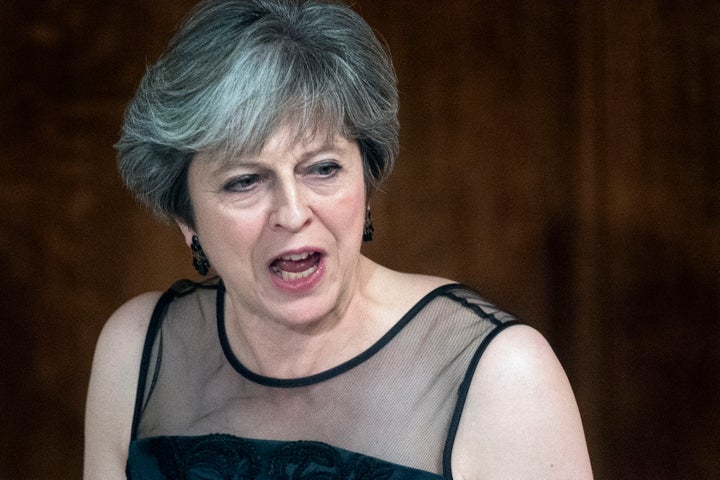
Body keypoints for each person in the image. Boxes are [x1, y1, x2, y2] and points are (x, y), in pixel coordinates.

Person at [84, 0, 594, 478]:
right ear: (186, 217)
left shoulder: (503, 376)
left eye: (323, 168)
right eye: (245, 181)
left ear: (367, 183)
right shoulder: (136, 352)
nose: (292, 212)